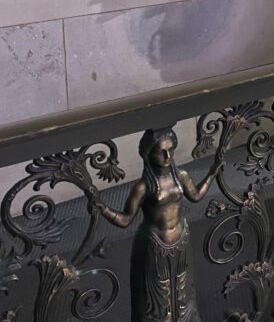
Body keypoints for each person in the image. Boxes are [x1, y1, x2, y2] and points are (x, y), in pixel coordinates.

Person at [90, 127, 222, 322]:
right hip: (154, 245)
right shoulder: (143, 187)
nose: (168, 156)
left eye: (171, 150)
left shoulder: (181, 176)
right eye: (161, 152)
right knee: (157, 293)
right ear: (148, 154)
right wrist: (104, 209)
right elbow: (125, 220)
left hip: (181, 240)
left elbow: (195, 196)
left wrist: (211, 174)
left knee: (183, 287)